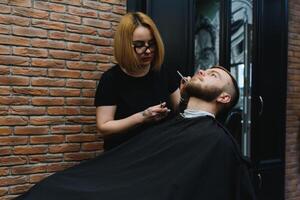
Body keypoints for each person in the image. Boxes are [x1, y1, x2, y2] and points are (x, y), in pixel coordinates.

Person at [16, 66, 256, 200]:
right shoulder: (178, 123)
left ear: (224, 97)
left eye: (213, 75)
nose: (202, 70)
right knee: (52, 187)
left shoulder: (215, 141)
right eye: (205, 69)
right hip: (116, 184)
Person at [94, 12, 181, 150]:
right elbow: (103, 127)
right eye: (139, 45)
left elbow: (179, 109)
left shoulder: (163, 71)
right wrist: (142, 117)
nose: (148, 51)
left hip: (160, 150)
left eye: (152, 44)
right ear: (124, 45)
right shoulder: (111, 79)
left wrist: (188, 94)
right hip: (124, 154)